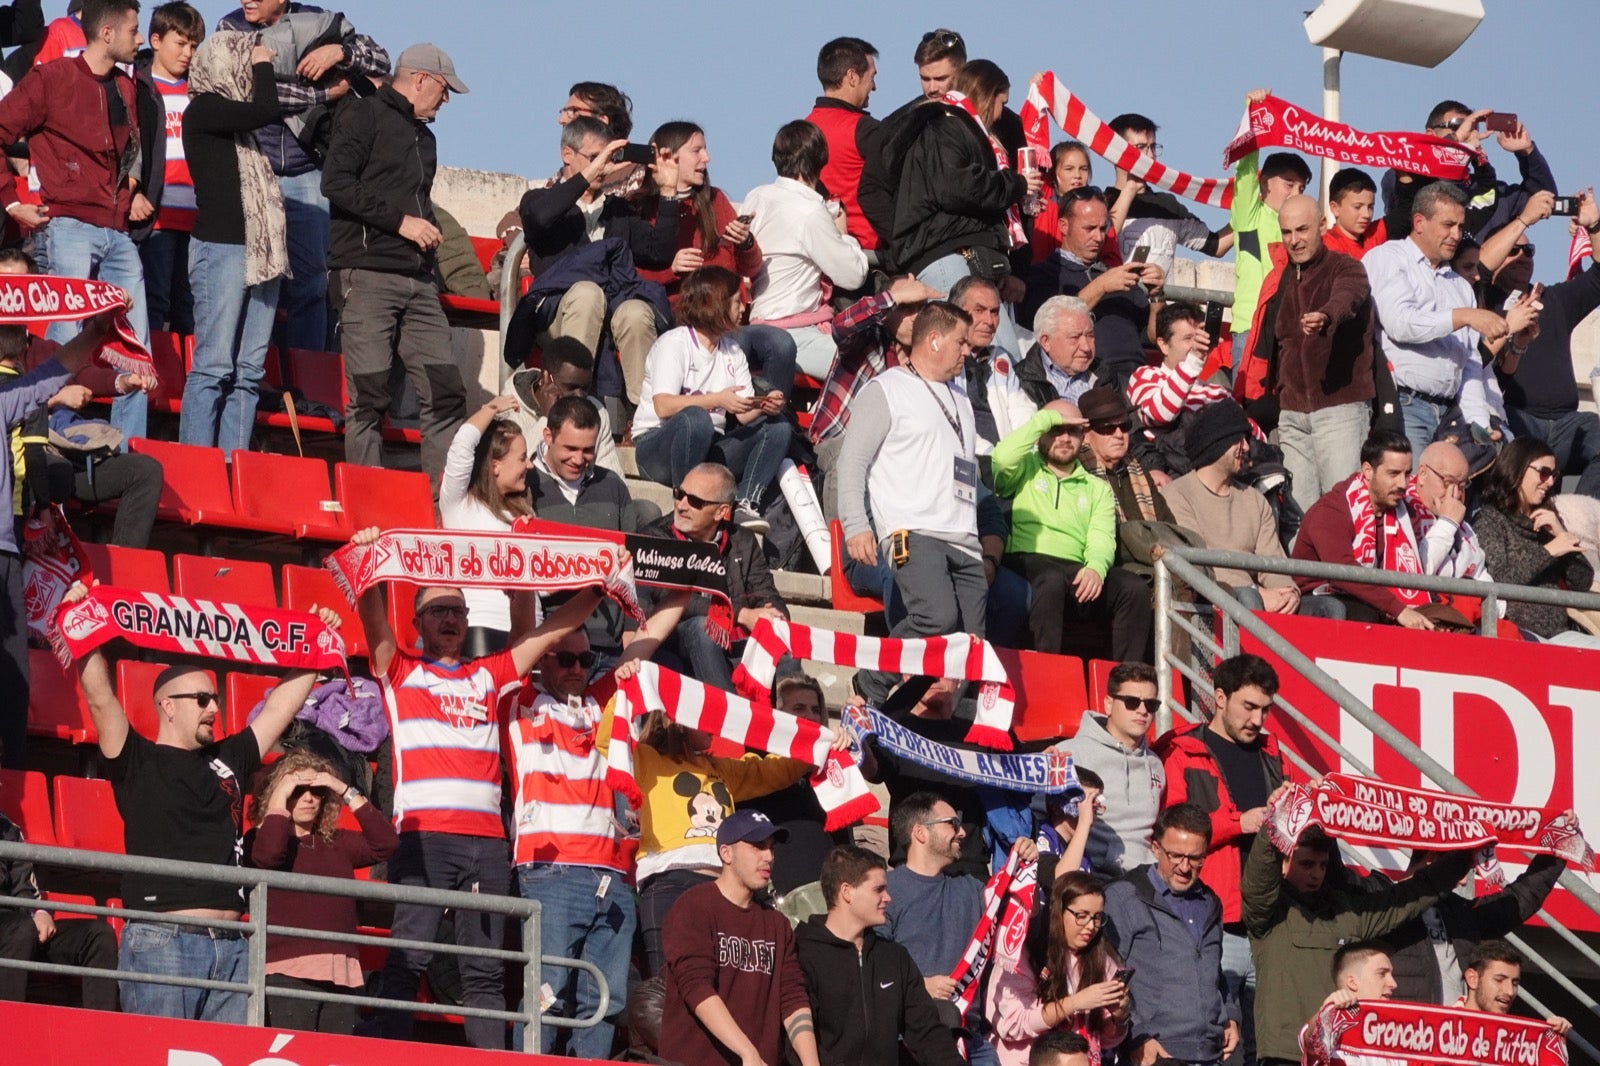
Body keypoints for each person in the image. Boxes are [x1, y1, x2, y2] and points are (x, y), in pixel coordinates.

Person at [349, 525, 603, 1050]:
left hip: (487, 845)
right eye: (437, 610)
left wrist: (602, 585)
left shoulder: (490, 676)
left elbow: (552, 631)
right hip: (423, 840)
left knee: (485, 974)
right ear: (416, 623)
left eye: (457, 610)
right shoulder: (399, 671)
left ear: (467, 623)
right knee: (407, 961)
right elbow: (370, 613)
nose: (448, 619)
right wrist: (369, 559)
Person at [73, 593, 340, 1022]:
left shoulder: (228, 757)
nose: (215, 708)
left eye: (215, 698)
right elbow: (100, 699)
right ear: (168, 706)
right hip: (162, 940)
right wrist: (82, 624)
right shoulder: (136, 759)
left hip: (235, 944)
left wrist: (314, 642)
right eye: (201, 699)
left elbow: (279, 707)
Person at [503, 610, 682, 1057]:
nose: (577, 669)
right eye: (565, 658)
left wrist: (690, 580)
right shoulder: (522, 700)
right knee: (546, 995)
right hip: (550, 870)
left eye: (586, 661)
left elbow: (650, 639)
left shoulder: (602, 703)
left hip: (614, 877)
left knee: (603, 1001)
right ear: (543, 659)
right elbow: (522, 631)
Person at [0, 0, 149, 444]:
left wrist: (127, 198)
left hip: (117, 231)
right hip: (66, 226)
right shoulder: (52, 79)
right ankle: (55, 443)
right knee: (62, 336)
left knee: (135, 348)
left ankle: (125, 452)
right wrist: (10, 202)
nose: (139, 40)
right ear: (107, 33)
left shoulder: (125, 86)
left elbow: (130, 153)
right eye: (133, 30)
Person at [322, 43, 469, 490]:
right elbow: (336, 182)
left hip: (418, 282)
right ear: (421, 79)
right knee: (368, 398)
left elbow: (417, 203)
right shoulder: (363, 115)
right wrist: (401, 222)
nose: (446, 101)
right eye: (444, 90)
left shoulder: (426, 138)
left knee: (445, 394)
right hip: (365, 276)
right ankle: (368, 501)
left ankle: (441, 504)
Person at [1241, 804, 1476, 1066]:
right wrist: (1280, 817)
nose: (1316, 873)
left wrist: (1466, 855)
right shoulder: (1269, 914)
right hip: (1286, 1055)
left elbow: (1406, 899)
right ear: (1284, 863)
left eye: (1322, 865)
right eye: (1306, 864)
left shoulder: (1346, 910)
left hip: (1341, 1053)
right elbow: (1257, 880)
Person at [217, 0, 389, 352]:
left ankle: (308, 382)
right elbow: (255, 91)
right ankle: (250, 377)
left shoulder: (318, 20)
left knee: (312, 283)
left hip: (308, 170)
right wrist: (324, 93)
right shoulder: (230, 27)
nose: (244, 1)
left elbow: (381, 60)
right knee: (250, 280)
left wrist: (339, 52)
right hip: (254, 169)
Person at [838, 301, 986, 702]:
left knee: (968, 652)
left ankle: (901, 717)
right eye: (960, 342)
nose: (967, 351)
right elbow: (851, 462)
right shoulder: (887, 389)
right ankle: (868, 686)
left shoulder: (961, 395)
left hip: (964, 538)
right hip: (913, 531)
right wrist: (856, 525)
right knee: (934, 618)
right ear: (934, 340)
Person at [0, 306, 122, 770]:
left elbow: (54, 373)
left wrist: (95, 332)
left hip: (4, 555)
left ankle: (7, 790)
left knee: (11, 687)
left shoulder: (4, 399)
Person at [1155, 652, 1285, 1066]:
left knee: (1268, 1048)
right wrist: (1238, 822)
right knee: (1221, 1049)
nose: (1258, 720)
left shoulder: (1271, 754)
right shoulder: (1182, 750)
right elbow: (1174, 829)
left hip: (1268, 923)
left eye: (1265, 710)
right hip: (1215, 922)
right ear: (1220, 698)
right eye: (1249, 707)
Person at [633, 699, 810, 978]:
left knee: (725, 986)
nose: (716, 726)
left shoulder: (720, 768)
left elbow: (775, 771)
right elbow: (607, 739)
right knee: (670, 991)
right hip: (670, 885)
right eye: (707, 716)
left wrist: (821, 741)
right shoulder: (645, 758)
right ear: (679, 717)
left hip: (724, 887)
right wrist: (625, 681)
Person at [0, 250, 160, 552]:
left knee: (145, 471)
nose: (11, 294)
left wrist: (123, 380)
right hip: (26, 460)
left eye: (19, 285)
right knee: (51, 470)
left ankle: (122, 571)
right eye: (4, 284)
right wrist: (56, 400)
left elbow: (79, 370)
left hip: (62, 451)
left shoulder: (43, 348)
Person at [633, 120, 799, 408]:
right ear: (668, 156)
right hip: (677, 322)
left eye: (705, 150)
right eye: (696, 151)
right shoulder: (639, 206)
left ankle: (773, 421)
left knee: (781, 343)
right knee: (734, 347)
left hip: (726, 322)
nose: (706, 159)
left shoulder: (715, 200)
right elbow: (627, 273)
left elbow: (751, 269)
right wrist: (669, 270)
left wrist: (745, 242)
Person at [884, 58, 1038, 360]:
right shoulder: (947, 126)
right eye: (1001, 102)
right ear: (987, 94)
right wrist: (1016, 185)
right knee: (999, 358)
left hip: (956, 257)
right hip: (947, 257)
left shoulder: (955, 127)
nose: (1001, 113)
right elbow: (959, 187)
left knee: (982, 361)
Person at [176, 30, 284, 459]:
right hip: (221, 251)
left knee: (248, 372)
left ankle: (230, 468)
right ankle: (197, 467)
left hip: (264, 253)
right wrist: (262, 62)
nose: (250, 71)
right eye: (243, 63)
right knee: (213, 367)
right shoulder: (204, 109)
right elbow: (267, 107)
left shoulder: (243, 132)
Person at [510, 114, 672, 383]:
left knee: (636, 312)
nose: (603, 165)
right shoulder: (540, 199)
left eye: (608, 158)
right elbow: (538, 217)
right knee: (587, 293)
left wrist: (667, 191)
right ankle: (572, 400)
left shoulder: (617, 210)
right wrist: (587, 176)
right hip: (557, 312)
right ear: (567, 154)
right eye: (595, 157)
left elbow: (659, 253)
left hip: (612, 309)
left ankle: (644, 414)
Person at [246, 750, 398, 1034]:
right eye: (298, 790)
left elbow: (386, 843)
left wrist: (341, 787)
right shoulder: (260, 837)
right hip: (286, 972)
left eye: (317, 791)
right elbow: (268, 856)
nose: (309, 798)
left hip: (342, 974)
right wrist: (280, 795)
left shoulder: (336, 842)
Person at [631, 266, 791, 529]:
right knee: (696, 419)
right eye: (737, 302)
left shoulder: (733, 351)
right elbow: (663, 405)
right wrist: (716, 400)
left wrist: (764, 405)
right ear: (715, 305)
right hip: (658, 446)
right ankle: (686, 502)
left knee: (779, 426)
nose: (743, 309)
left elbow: (741, 413)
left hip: (707, 449)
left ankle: (745, 503)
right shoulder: (675, 343)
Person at [660, 809, 823, 1066]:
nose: (768, 856)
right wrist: (747, 1052)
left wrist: (811, 1062)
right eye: (757, 846)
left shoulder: (777, 924)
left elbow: (792, 997)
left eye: (771, 848)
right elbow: (696, 986)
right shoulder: (693, 906)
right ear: (726, 853)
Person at [993, 400, 1152, 662]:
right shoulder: (1025, 469)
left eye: (1073, 431)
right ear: (1042, 432)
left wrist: (1096, 568)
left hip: (1075, 569)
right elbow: (1001, 458)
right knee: (1052, 580)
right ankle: (1047, 672)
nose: (1065, 438)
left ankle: (1125, 680)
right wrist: (1043, 420)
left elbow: (1102, 536)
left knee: (1133, 588)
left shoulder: (1097, 487)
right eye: (1056, 429)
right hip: (1026, 560)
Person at [1364, 181, 1512, 458]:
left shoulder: (1460, 286)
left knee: (1448, 498)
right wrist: (1463, 316)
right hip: (1404, 406)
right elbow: (1400, 323)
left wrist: (1478, 424)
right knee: (1414, 497)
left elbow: (1469, 362)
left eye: (1460, 226)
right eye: (1448, 225)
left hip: (1451, 415)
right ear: (1419, 222)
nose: (1456, 235)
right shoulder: (1388, 257)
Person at [1161, 401, 1339, 616]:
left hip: (1256, 598)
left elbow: (1273, 563)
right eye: (1239, 440)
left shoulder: (1254, 499)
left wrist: (1288, 592)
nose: (1246, 447)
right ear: (1216, 442)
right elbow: (1198, 566)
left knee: (1329, 608)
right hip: (1211, 604)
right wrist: (1256, 591)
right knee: (1248, 598)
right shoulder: (1177, 495)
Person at [1257, 195, 1376, 514]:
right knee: (1298, 515)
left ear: (1323, 225)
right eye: (1286, 232)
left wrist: (1326, 315)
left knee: (1342, 511)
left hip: (1340, 411)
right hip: (1292, 415)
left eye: (1302, 229)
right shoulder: (1280, 278)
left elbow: (1347, 297)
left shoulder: (1347, 268)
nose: (1293, 240)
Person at [795, 845, 964, 1066]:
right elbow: (799, 1043)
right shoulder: (803, 955)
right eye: (878, 889)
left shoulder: (894, 957)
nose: (888, 898)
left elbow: (926, 1032)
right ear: (847, 892)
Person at [1293, 433, 1487, 625]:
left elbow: (1421, 567)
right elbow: (1343, 572)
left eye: (1407, 473)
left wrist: (1446, 520)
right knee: (1367, 617)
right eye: (1393, 474)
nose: (1403, 484)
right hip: (1321, 599)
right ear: (1368, 471)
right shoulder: (1331, 510)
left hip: (1374, 600)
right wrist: (1398, 609)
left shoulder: (1405, 509)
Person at [1102, 804, 1237, 1066]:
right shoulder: (1124, 897)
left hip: (1211, 1053)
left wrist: (1230, 1015)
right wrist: (1136, 1036)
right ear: (1155, 848)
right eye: (1175, 855)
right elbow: (1106, 975)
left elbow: (1212, 970)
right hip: (1156, 1053)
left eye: (1195, 858)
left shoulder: (1211, 902)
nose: (1185, 867)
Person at [639, 462, 788, 691]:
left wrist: (773, 617)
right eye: (679, 495)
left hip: (733, 641)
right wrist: (741, 614)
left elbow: (766, 593)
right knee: (702, 628)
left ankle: (784, 725)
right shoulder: (657, 537)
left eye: (695, 501)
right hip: (673, 637)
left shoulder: (743, 541)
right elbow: (666, 594)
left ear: (722, 512)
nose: (681, 505)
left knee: (784, 646)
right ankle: (727, 723)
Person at [1492, 190, 1600, 497]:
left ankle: (1578, 519)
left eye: (1530, 251)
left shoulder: (1555, 299)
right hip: (1516, 420)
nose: (1525, 257)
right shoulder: (1482, 304)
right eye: (1515, 250)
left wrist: (1594, 227)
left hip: (1567, 423)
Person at [743, 119, 869, 378]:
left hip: (756, 325)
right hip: (795, 332)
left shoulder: (756, 196)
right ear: (820, 159)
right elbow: (853, 275)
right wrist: (843, 234)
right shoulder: (810, 211)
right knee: (867, 373)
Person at [881, 791, 998, 1065]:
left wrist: (1027, 860)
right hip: (913, 1041)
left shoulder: (971, 888)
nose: (962, 833)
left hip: (971, 1041)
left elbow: (1019, 913)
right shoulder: (885, 890)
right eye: (952, 824)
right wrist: (920, 986)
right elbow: (870, 965)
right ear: (920, 832)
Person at [1364, 847, 1565, 1004]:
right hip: (1401, 1041)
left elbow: (1519, 900)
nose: (1462, 882)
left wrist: (1557, 850)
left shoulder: (1457, 910)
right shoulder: (1375, 905)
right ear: (1431, 860)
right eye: (1458, 870)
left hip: (1455, 1042)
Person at [529, 394, 641, 664]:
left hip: (609, 648)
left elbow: (634, 565)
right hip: (549, 646)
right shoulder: (525, 485)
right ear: (548, 436)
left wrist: (630, 628)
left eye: (588, 450)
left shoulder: (613, 485)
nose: (579, 459)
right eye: (570, 448)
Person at [988, 870, 1130, 1066]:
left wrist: (1119, 1017)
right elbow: (1012, 1025)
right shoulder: (1023, 954)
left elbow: (1105, 1040)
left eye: (1097, 917)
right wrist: (1074, 1003)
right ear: (1058, 911)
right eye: (1081, 915)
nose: (1091, 926)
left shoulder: (1102, 960)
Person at [1021, 188, 1162, 384]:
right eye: (1089, 228)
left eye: (1103, 229)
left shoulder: (1117, 275)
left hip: (1139, 379)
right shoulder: (1045, 274)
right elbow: (1045, 323)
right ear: (1063, 226)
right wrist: (1101, 286)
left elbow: (1153, 337)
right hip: (1088, 383)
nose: (1099, 237)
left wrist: (1156, 297)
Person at [1474, 437, 1596, 643]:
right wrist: (1548, 551)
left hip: (1560, 634)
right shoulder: (1489, 519)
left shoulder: (1546, 519)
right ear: (1518, 468)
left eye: (1554, 475)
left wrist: (1560, 534)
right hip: (1516, 634)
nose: (1549, 482)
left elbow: (1582, 581)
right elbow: (1501, 579)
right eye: (1544, 472)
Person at [1382, 100, 1556, 243]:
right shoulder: (1406, 174)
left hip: (1475, 282)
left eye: (1471, 128)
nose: (1467, 134)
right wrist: (1455, 143)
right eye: (1457, 126)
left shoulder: (1491, 190)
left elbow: (1545, 198)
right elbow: (1409, 183)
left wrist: (1526, 152)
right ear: (1430, 134)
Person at [0, 804, 118, 1012]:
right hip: (15, 930)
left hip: (17, 929)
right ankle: (9, 1030)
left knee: (99, 935)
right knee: (21, 928)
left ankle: (101, 1036)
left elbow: (26, 890)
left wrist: (40, 912)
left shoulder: (7, 828)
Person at [439, 396, 533, 656]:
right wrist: (490, 409)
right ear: (495, 466)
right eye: (523, 458)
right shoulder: (459, 504)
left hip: (530, 634)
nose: (530, 465)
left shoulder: (524, 511)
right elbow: (461, 447)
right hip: (483, 628)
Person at [1228, 90, 1312, 375]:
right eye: (1289, 184)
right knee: (1251, 414)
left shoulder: (1308, 230)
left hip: (1292, 336)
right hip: (1250, 331)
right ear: (1264, 185)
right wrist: (1253, 112)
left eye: (1301, 188)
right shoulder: (1249, 216)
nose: (1295, 193)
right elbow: (1245, 171)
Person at [745, 675, 851, 896]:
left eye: (815, 709)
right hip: (781, 896)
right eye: (799, 708)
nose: (810, 716)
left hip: (829, 896)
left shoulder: (830, 768)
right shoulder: (763, 763)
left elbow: (844, 845)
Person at [134, 1, 203, 336]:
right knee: (155, 301)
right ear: (156, 40)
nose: (188, 53)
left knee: (189, 308)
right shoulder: (138, 88)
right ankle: (155, 382)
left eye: (193, 45)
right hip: (156, 217)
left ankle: (188, 384)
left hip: (196, 219)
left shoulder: (200, 90)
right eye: (181, 43)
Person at [1105, 112, 1233, 276]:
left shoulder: (1167, 206)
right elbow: (1102, 243)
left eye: (1152, 147)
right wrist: (1130, 190)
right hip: (1114, 301)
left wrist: (1247, 210)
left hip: (1157, 301)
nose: (1150, 155)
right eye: (1141, 147)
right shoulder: (1099, 204)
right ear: (1117, 153)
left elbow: (1217, 246)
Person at [1067, 662, 1165, 875]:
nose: (1142, 710)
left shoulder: (1156, 764)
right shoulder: (1070, 755)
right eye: (1131, 702)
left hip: (1148, 877)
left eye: (1151, 704)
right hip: (1093, 876)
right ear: (1108, 704)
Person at [804, 36, 892, 255]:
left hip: (817, 254)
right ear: (852, 76)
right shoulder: (864, 129)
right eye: (871, 77)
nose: (874, 86)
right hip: (867, 255)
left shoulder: (803, 131)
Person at [506, 337, 624, 477]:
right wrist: (547, 419)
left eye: (585, 388)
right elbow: (514, 471)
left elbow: (613, 480)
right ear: (546, 378)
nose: (579, 396)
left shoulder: (596, 412)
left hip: (582, 496)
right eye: (571, 387)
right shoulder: (509, 411)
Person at [1076, 386, 1177, 523]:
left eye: (1124, 426)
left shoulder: (1139, 472)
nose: (1119, 434)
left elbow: (1167, 525)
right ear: (1086, 435)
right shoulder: (1078, 476)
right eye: (1108, 428)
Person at [1029, 141, 1129, 267]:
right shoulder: (1043, 203)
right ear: (1053, 174)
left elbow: (1112, 260)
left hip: (1089, 281)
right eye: (1069, 169)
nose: (1077, 175)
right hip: (1044, 280)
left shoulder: (1098, 209)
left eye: (1084, 169)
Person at [1015, 295, 1115, 409]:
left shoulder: (1104, 374)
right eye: (1074, 337)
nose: (1086, 347)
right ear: (1046, 341)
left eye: (1090, 335)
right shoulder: (1020, 382)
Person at [1457, 940, 1572, 1035]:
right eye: (1499, 980)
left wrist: (1553, 1036)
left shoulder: (1520, 1038)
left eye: (1515, 983)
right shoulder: (1440, 1029)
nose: (1510, 991)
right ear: (1473, 979)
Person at [1321, 169, 1387, 261]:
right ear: (1335, 208)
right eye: (1357, 207)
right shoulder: (1325, 245)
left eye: (1370, 207)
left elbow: (1404, 213)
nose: (1367, 215)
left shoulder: (1374, 233)